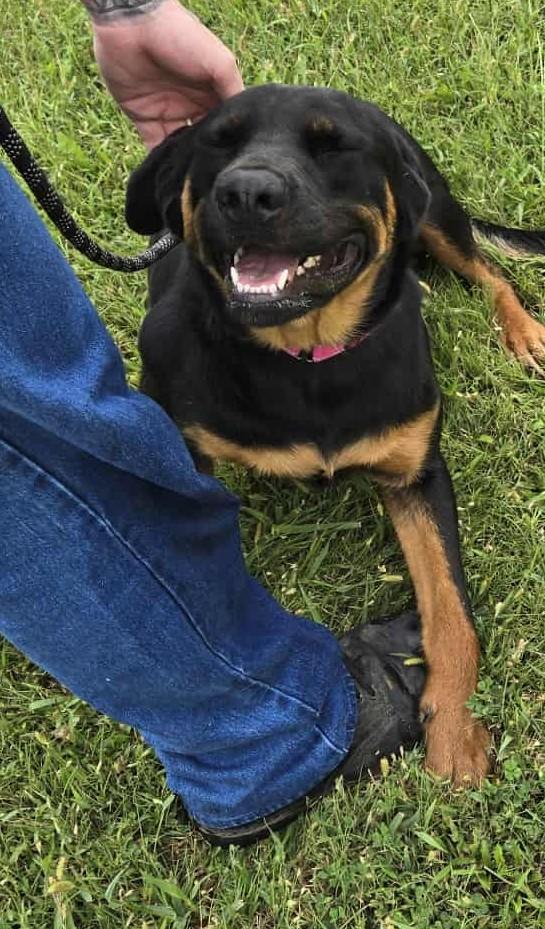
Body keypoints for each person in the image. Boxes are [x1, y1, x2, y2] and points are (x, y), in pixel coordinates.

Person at [0, 0, 425, 846]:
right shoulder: (185, 366)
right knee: (29, 418)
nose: (250, 181)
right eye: (222, 159)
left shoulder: (395, 300)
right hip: (218, 385)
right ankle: (261, 738)